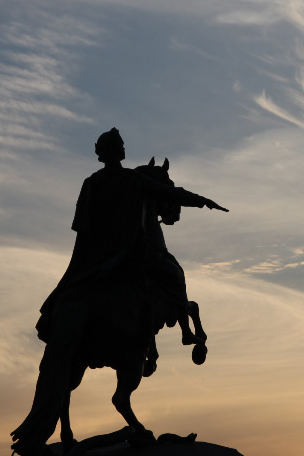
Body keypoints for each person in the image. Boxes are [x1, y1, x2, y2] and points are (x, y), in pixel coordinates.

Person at [35, 128, 226, 344]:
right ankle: (185, 330)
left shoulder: (90, 183)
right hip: (127, 254)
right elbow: (169, 193)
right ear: (116, 151)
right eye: (122, 145)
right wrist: (203, 201)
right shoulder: (132, 179)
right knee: (174, 275)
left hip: (92, 258)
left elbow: (81, 227)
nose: (125, 148)